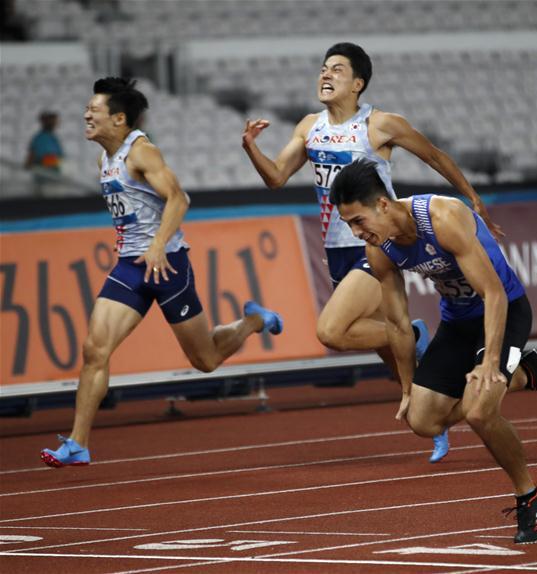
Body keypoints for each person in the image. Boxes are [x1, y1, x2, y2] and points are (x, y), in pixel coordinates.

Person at [241, 43, 500, 463]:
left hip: (377, 245)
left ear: (358, 83)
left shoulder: (380, 125)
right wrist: (251, 147)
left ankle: (414, 338)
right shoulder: (309, 127)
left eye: (337, 70)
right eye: (323, 68)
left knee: (332, 332)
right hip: (335, 250)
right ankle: (429, 418)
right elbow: (275, 177)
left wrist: (472, 196)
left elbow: (434, 156)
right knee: (389, 354)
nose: (325, 75)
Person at [40, 78, 283, 468]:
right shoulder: (104, 157)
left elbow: (179, 198)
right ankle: (77, 443)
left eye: (94, 110)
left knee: (204, 360)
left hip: (168, 266)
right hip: (130, 268)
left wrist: (157, 245)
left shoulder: (142, 152)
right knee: (94, 350)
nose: (86, 115)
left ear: (118, 118)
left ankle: (253, 320)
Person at [330, 159, 537, 544]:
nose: (357, 232)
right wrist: (408, 388)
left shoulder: (442, 217)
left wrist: (490, 364)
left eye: (358, 221)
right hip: (458, 323)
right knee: (423, 422)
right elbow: (397, 324)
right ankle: (527, 372)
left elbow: (493, 293)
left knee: (479, 411)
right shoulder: (380, 251)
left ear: (383, 205)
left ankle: (528, 495)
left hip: (503, 312)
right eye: (348, 225)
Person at [25, 110, 64, 195]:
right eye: (53, 121)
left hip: (54, 179)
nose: (55, 123)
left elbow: (60, 156)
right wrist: (59, 162)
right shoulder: (40, 138)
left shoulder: (53, 138)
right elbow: (36, 159)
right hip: (44, 181)